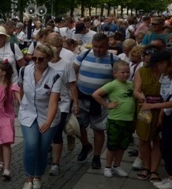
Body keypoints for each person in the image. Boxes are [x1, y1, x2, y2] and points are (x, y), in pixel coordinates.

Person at [18, 44, 62, 189]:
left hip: (47, 115)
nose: (36, 61)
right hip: (28, 113)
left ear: (49, 59)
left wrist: (48, 122)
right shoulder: (24, 70)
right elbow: (21, 88)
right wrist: (21, 103)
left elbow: (53, 102)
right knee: (31, 145)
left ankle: (38, 176)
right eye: (34, 58)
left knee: (43, 149)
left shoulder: (55, 76)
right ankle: (28, 179)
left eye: (40, 59)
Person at [140, 50, 172, 189]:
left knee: (168, 146)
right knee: (165, 145)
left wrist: (153, 106)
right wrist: (162, 114)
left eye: (155, 65)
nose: (154, 69)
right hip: (170, 113)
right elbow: (167, 97)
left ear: (164, 63)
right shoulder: (166, 75)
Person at [74, 33, 115, 169]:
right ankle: (86, 146)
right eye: (95, 46)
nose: (98, 50)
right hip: (82, 97)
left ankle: (97, 156)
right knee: (79, 126)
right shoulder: (84, 54)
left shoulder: (112, 59)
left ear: (107, 46)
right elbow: (72, 71)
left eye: (101, 47)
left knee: (98, 129)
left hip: (100, 101)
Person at [91, 60, 134, 179]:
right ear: (115, 73)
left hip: (128, 119)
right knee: (112, 145)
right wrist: (107, 105)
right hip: (115, 119)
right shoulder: (113, 84)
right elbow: (96, 94)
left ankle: (117, 165)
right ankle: (108, 167)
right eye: (122, 72)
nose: (126, 74)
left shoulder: (131, 84)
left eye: (127, 72)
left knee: (122, 145)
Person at [46, 33, 79, 173]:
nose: (56, 49)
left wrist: (75, 103)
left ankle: (55, 163)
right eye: (53, 46)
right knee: (45, 131)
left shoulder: (66, 64)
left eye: (59, 46)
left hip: (63, 103)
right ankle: (47, 151)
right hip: (45, 102)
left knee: (57, 132)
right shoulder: (43, 62)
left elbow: (72, 85)